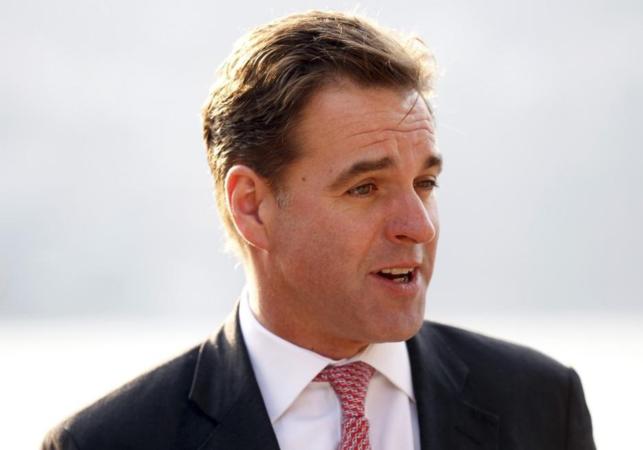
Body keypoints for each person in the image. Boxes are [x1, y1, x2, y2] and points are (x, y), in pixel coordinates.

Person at [42, 10, 596, 450]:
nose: (418, 226)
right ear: (252, 207)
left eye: (425, 183)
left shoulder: (544, 404)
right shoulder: (108, 442)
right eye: (365, 188)